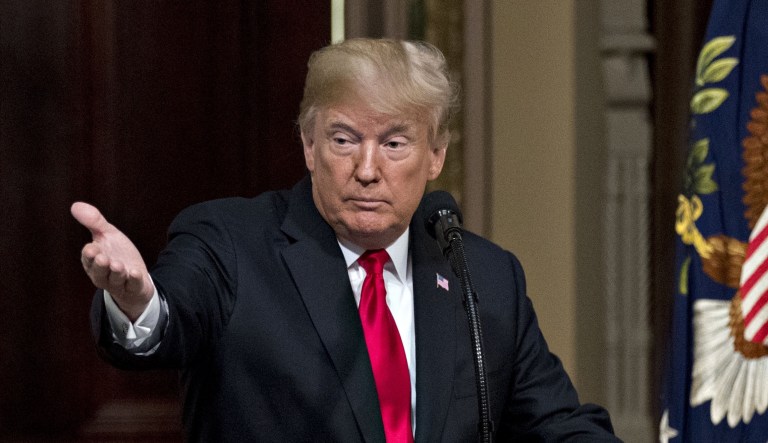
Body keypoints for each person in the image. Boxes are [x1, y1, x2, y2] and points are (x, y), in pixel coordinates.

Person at [72, 38, 619, 442]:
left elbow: (559, 425)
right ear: (309, 145)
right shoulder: (230, 243)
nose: (367, 169)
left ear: (436, 156)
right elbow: (171, 321)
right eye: (343, 139)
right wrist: (139, 302)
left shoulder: (485, 275)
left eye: (395, 143)